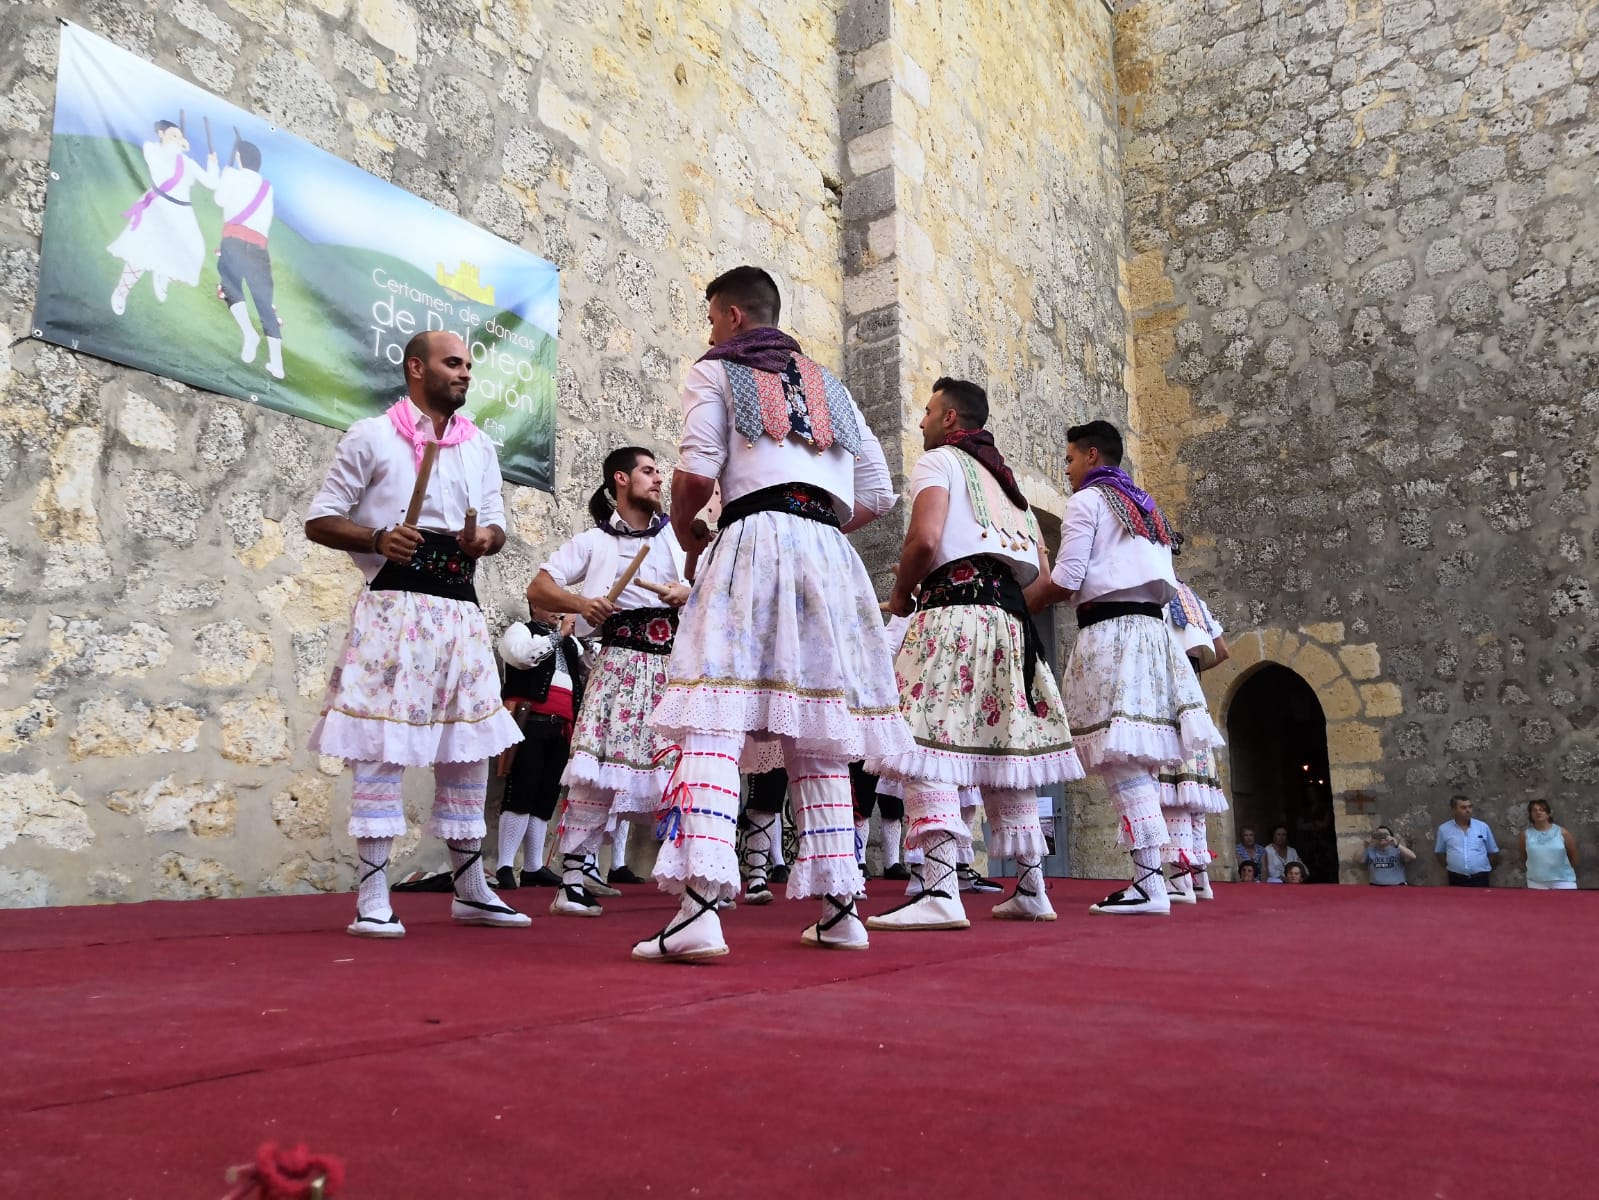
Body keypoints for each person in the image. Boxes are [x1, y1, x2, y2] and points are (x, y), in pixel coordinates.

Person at [636, 265, 907, 960]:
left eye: (708, 319)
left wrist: (687, 532)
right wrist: (814, 527)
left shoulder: (717, 371)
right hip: (828, 553)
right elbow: (877, 491)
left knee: (712, 715)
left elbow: (696, 470)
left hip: (752, 540)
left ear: (728, 316)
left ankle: (699, 909)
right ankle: (842, 908)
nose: (708, 331)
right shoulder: (832, 388)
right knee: (818, 732)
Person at [305, 330, 529, 937]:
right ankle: (372, 893)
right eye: (452, 363)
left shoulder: (479, 446)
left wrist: (486, 539)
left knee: (468, 748)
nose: (464, 374)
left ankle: (471, 888)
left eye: (468, 365)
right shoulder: (372, 436)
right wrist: (376, 539)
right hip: (394, 607)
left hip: (460, 610)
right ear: (415, 368)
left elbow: (497, 526)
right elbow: (320, 519)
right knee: (380, 745)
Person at [869, 377, 1083, 929]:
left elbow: (923, 540)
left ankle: (940, 889)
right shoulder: (1012, 491)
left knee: (923, 743)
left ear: (949, 420)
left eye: (927, 410)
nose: (920, 421)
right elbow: (1043, 574)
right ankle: (1033, 887)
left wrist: (900, 595)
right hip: (1009, 625)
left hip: (951, 614)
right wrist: (1002, 610)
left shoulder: (940, 464)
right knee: (1001, 754)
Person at [1025, 420, 1223, 915]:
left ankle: (1151, 883)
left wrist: (1031, 594)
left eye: (1069, 459)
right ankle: (1151, 878)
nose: (1066, 470)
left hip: (1112, 634)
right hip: (1153, 634)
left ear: (1092, 456)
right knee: (1137, 760)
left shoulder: (1089, 501)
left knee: (1120, 760)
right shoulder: (1145, 506)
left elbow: (1069, 577)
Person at [525, 447, 691, 917]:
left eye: (659, 471)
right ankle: (573, 879)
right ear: (621, 479)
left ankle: (690, 877)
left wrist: (689, 592)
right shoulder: (593, 542)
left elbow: (719, 588)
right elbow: (538, 587)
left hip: (673, 666)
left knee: (684, 769)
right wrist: (582, 604)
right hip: (617, 662)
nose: (659, 478)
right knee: (595, 771)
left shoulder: (680, 541)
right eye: (648, 471)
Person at [493, 607, 589, 890]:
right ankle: (505, 866)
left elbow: (590, 668)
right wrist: (559, 636)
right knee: (521, 790)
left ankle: (534, 867)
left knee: (546, 796)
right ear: (536, 604)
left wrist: (581, 635)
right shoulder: (521, 630)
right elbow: (522, 657)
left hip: (561, 727)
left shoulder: (570, 642)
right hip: (530, 722)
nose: (560, 611)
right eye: (553, 603)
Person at [1160, 578, 1230, 904]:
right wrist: (1193, 669)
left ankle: (1178, 879)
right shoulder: (1192, 597)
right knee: (1194, 792)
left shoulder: (1155, 588)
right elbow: (1222, 651)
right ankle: (1200, 878)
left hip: (1167, 688)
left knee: (1173, 787)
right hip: (1194, 694)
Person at [109, 119, 218, 315]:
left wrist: (212, 164)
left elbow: (211, 182)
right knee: (141, 253)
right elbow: (159, 161)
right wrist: (176, 147)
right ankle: (121, 292)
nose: (177, 139)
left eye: (179, 135)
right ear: (161, 134)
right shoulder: (152, 148)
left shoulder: (186, 162)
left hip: (183, 212)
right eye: (173, 135)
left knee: (194, 251)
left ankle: (163, 274)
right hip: (158, 207)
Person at [213, 139, 284, 378]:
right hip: (259, 248)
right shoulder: (268, 187)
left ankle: (249, 333)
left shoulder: (232, 175)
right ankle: (277, 363)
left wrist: (224, 174)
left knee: (231, 287)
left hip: (234, 239)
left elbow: (220, 200)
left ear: (239, 158)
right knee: (264, 302)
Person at [1433, 795, 1500, 887]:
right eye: (1463, 807)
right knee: (1457, 901)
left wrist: (1482, 867)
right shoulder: (1444, 829)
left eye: (1470, 807)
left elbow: (1494, 852)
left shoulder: (1482, 827)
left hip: (1480, 877)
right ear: (1454, 810)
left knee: (1481, 901)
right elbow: (1439, 853)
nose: (1468, 810)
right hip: (1456, 877)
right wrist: (1453, 866)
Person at [1521, 800, 1578, 890]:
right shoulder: (1525, 835)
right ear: (1530, 814)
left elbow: (1573, 856)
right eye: (1534, 810)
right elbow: (1524, 856)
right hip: (1536, 882)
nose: (1538, 812)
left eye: (1542, 810)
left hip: (1563, 881)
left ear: (1548, 813)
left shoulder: (1563, 833)